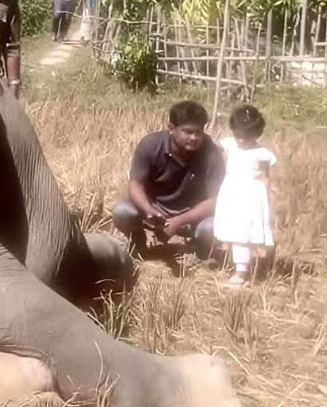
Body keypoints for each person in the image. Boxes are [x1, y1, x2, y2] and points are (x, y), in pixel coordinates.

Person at [111, 100, 225, 260]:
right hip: (156, 210)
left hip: (192, 214)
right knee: (122, 211)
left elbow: (215, 200)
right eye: (188, 132)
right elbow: (136, 184)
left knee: (213, 227)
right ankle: (137, 240)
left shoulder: (212, 152)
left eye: (198, 132)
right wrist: (149, 210)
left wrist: (180, 220)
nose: (194, 138)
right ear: (171, 128)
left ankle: (198, 250)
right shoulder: (150, 145)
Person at [214, 105, 277, 287]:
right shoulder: (229, 144)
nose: (241, 140)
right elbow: (211, 145)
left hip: (250, 195)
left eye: (247, 136)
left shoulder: (261, 153)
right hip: (231, 192)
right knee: (233, 229)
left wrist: (268, 197)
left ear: (257, 134)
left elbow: (265, 176)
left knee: (243, 234)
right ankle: (236, 262)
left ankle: (241, 273)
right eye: (237, 135)